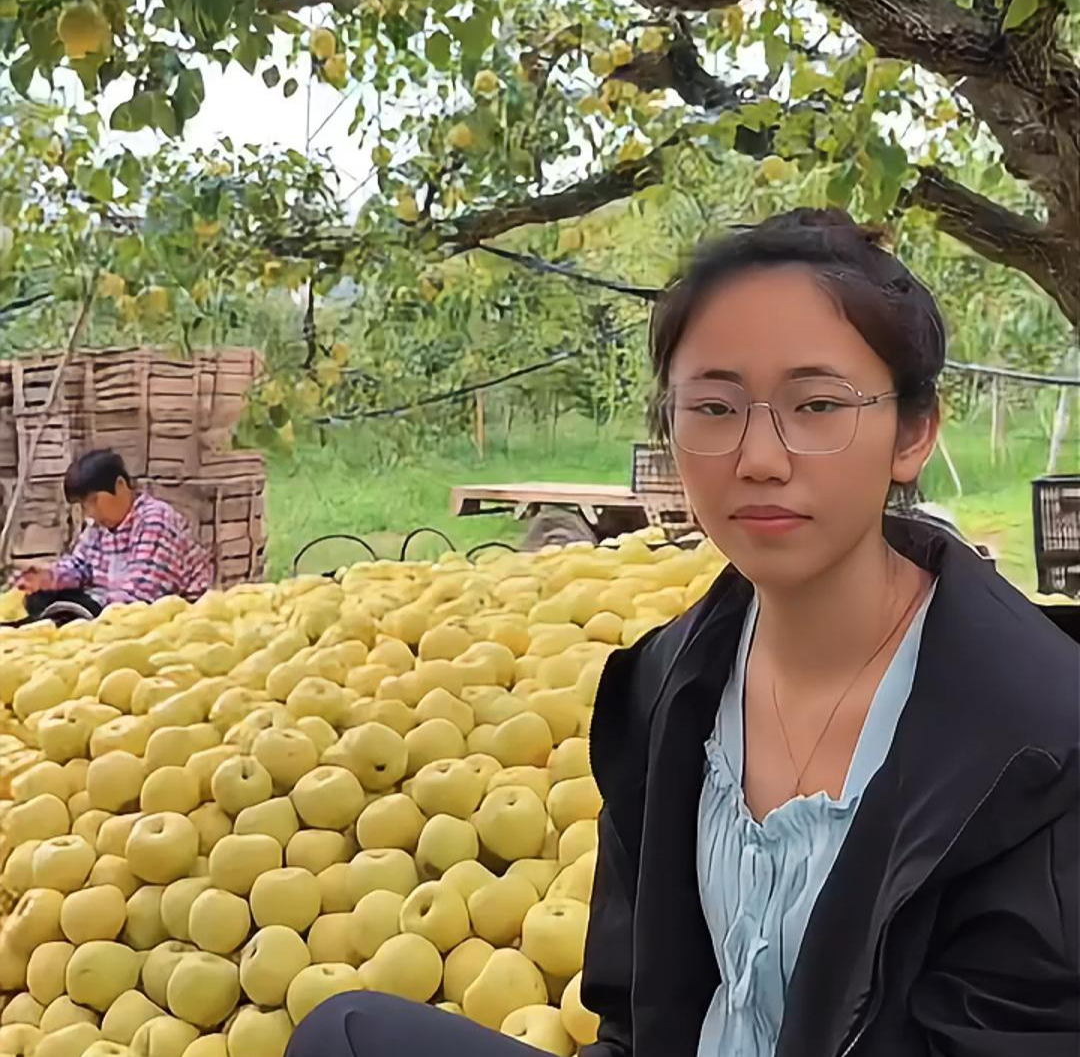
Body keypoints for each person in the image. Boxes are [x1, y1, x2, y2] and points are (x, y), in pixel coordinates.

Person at [285, 209, 1079, 1057]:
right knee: (347, 1034)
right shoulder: (667, 686)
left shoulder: (1034, 739)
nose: (759, 458)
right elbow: (637, 1014)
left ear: (914, 433)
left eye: (816, 405)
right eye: (714, 406)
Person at [17, 448, 213, 610]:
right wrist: (49, 577)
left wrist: (88, 607)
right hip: (111, 607)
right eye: (84, 505)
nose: (90, 512)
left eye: (94, 501)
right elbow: (80, 565)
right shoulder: (99, 529)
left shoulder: (155, 520)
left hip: (168, 617)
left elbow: (141, 597)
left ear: (120, 486)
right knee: (40, 599)